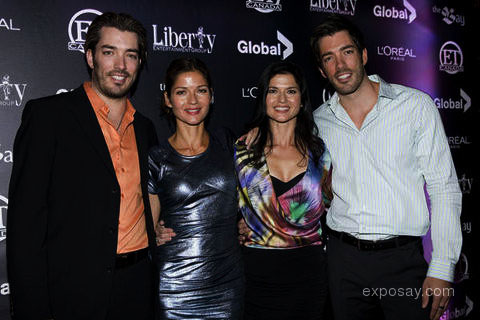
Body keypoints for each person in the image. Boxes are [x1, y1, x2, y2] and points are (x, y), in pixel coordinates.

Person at [310, 15, 462, 320]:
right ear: (321, 69)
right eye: (329, 58)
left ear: (363, 55)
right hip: (343, 262)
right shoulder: (317, 122)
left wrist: (443, 265)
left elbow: (443, 187)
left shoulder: (415, 106)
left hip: (402, 262)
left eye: (347, 52)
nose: (340, 65)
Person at [7, 12, 158, 320]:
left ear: (139, 63)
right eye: (109, 52)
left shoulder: (145, 129)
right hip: (72, 293)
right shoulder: (48, 117)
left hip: (138, 287)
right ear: (90, 57)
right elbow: (25, 227)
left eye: (130, 55)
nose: (120, 66)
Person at [234, 61, 332, 320]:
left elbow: (332, 201)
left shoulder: (321, 154)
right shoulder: (242, 153)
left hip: (308, 275)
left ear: (301, 99)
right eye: (273, 91)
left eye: (291, 91)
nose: (282, 99)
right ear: (263, 97)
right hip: (257, 275)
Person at [148, 57, 244, 319]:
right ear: (168, 99)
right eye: (182, 92)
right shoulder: (156, 158)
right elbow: (149, 226)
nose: (193, 101)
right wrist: (153, 232)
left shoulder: (228, 143)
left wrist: (247, 222)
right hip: (175, 286)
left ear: (211, 96)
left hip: (227, 283)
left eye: (200, 90)